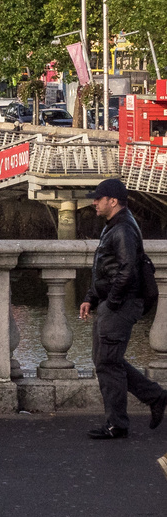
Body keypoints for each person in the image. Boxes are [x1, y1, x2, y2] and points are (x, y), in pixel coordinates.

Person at [78, 178, 166, 439]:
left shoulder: (123, 229)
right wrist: (91, 297)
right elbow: (109, 269)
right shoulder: (116, 225)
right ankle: (155, 397)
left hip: (121, 304)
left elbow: (127, 271)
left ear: (112, 201)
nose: (94, 202)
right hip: (114, 302)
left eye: (98, 198)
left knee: (107, 362)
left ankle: (117, 424)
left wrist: (112, 303)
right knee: (106, 360)